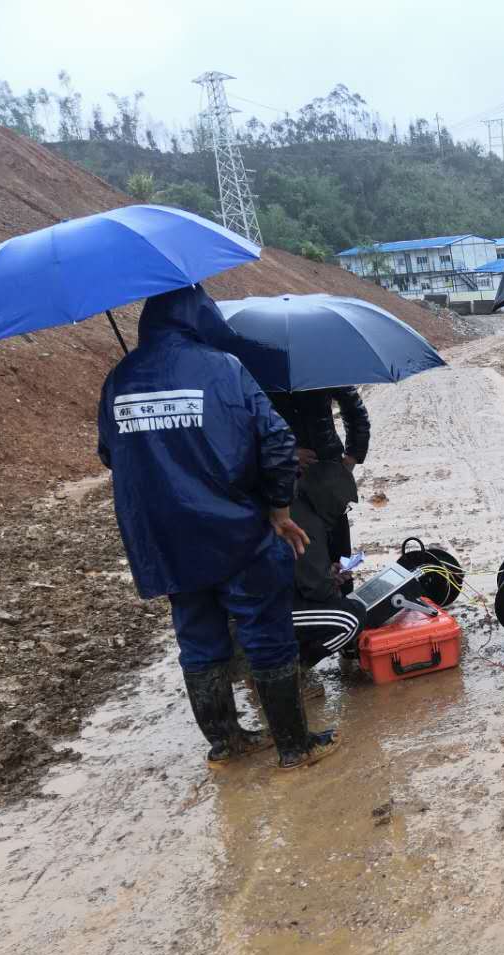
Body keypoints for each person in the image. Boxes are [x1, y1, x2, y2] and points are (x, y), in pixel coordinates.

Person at [97, 284, 339, 770]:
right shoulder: (224, 368)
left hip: (165, 539)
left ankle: (226, 745)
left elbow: (110, 454)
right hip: (235, 531)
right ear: (198, 317)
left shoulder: (119, 378)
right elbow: (276, 441)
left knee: (197, 637)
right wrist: (279, 510)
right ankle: (294, 746)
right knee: (265, 632)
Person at [268, 386, 371, 590]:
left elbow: (355, 408)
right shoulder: (256, 377)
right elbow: (246, 429)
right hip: (286, 482)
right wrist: (286, 454)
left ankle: (343, 599)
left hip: (328, 475)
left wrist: (352, 455)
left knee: (340, 555)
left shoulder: (322, 370)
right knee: (304, 555)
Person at [289, 459, 367, 669]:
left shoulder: (295, 506)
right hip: (269, 610)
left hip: (267, 597)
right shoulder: (308, 525)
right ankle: (292, 668)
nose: (342, 511)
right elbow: (317, 590)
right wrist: (331, 583)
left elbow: (301, 571)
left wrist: (327, 573)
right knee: (352, 617)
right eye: (343, 505)